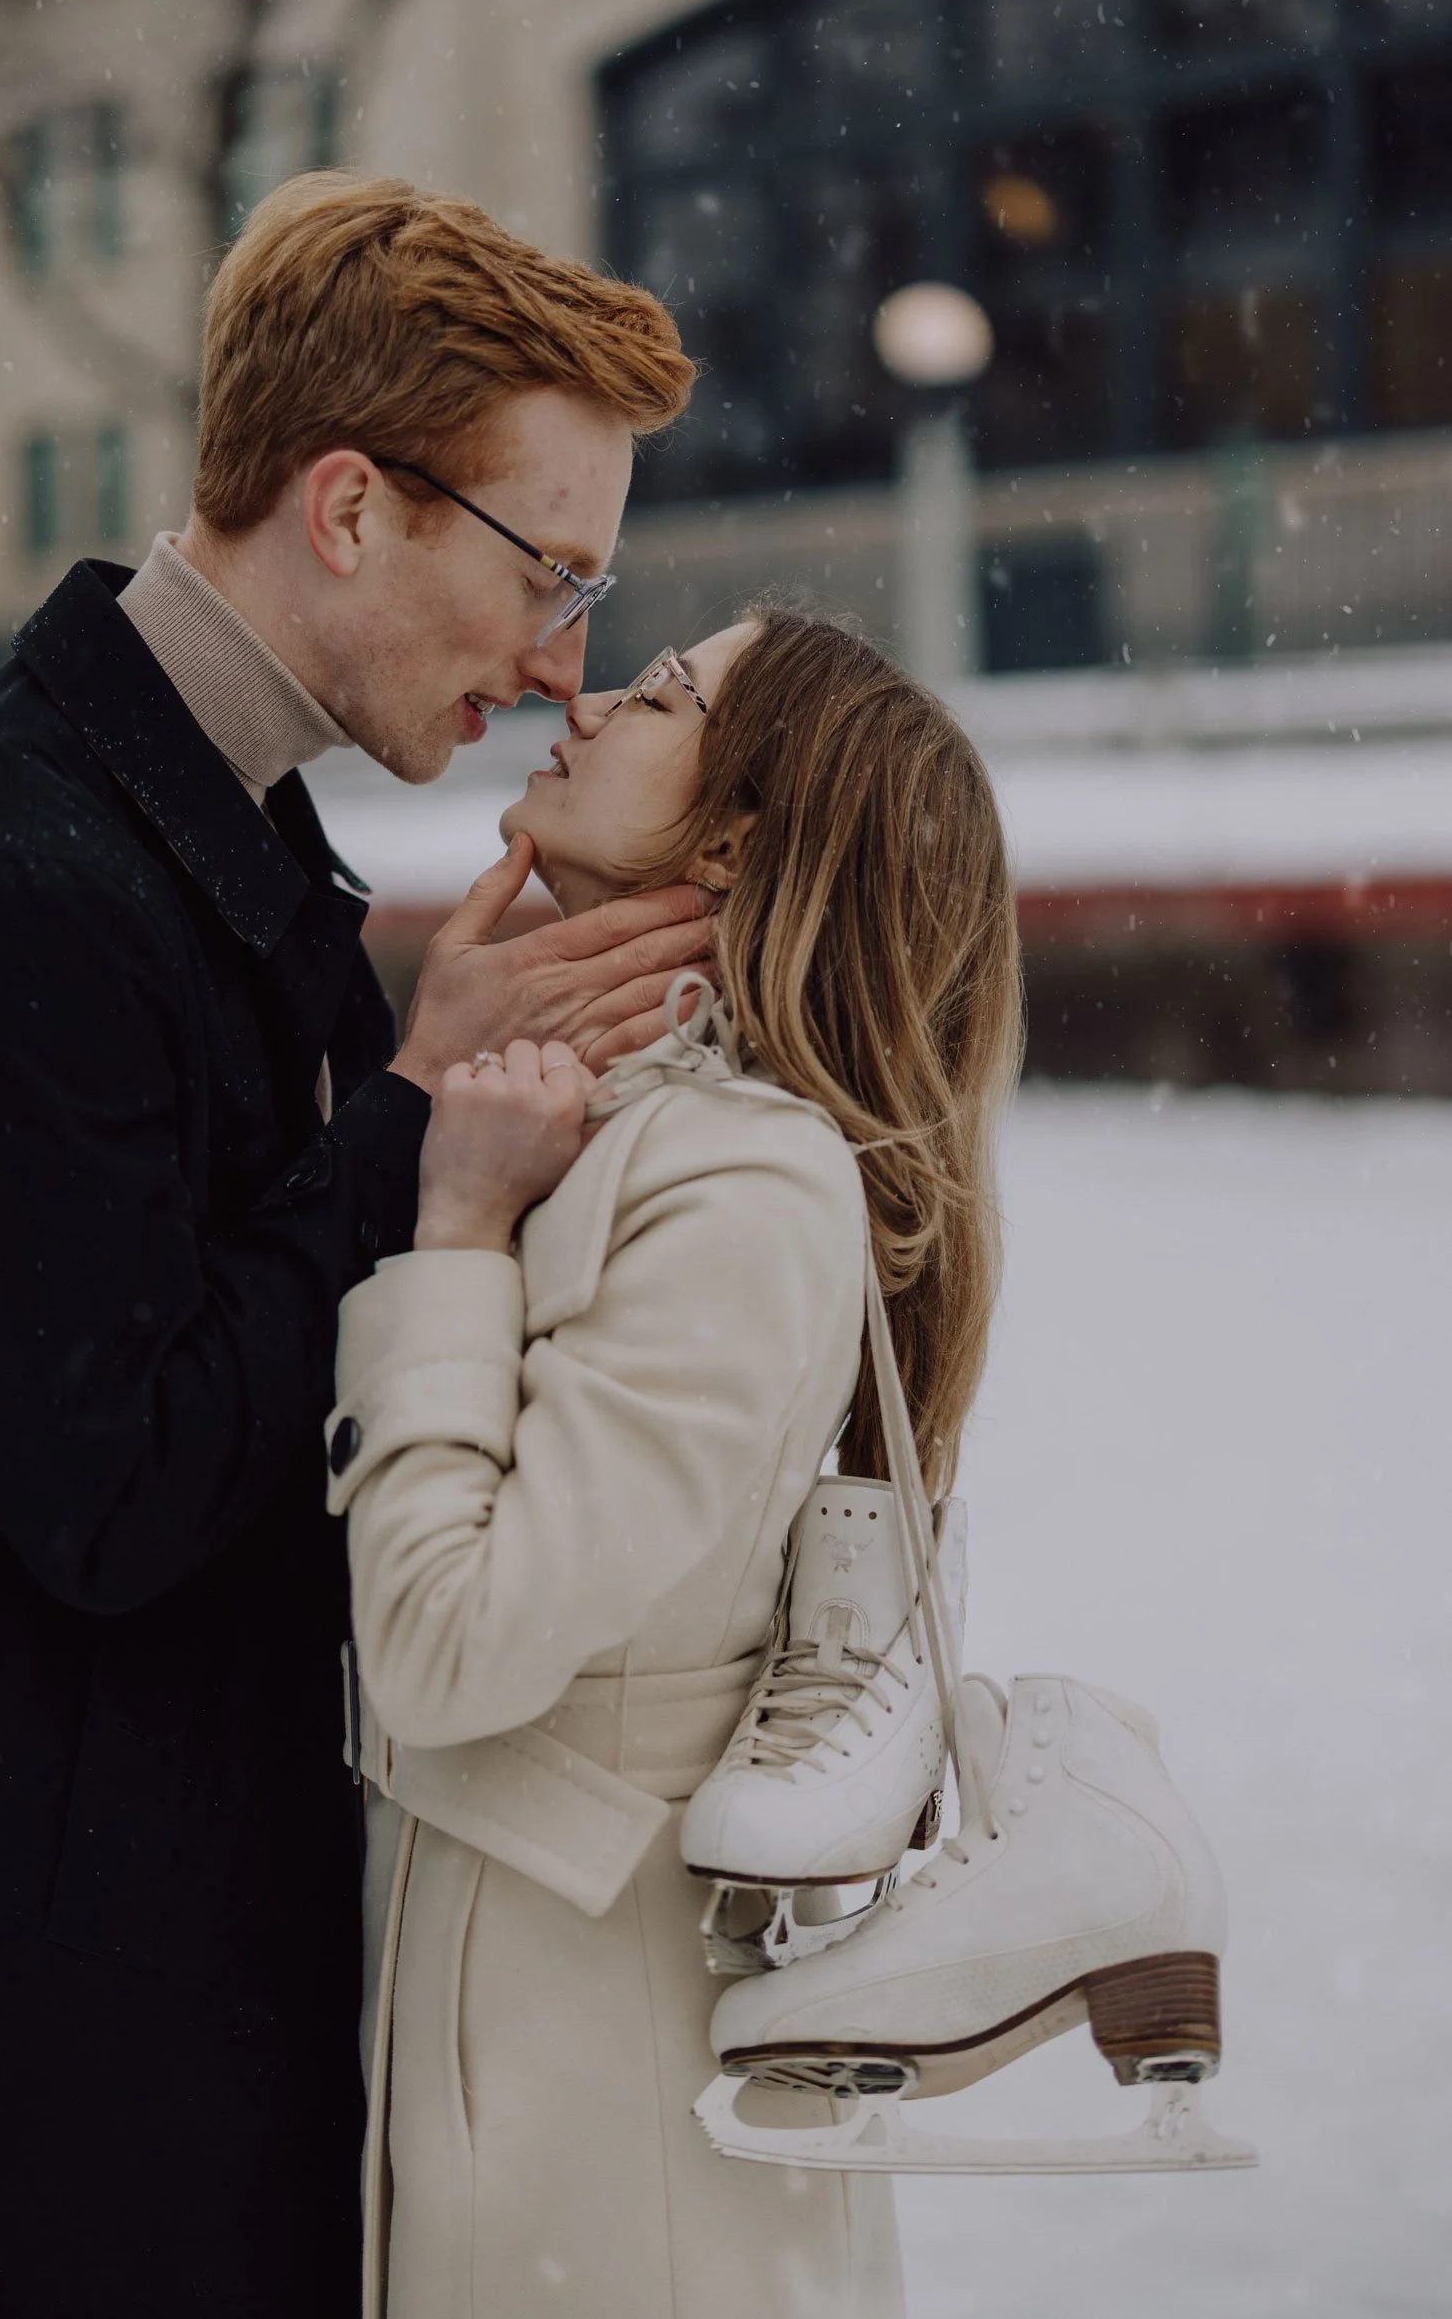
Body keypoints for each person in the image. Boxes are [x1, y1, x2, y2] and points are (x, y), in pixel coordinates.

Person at [0, 174, 709, 2318]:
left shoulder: (168, 826)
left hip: (121, 2019)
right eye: (550, 572)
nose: (565, 660)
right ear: (349, 505)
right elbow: (115, 1481)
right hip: (40, 2111)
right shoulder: (6, 879)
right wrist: (411, 1127)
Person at [328, 607, 1024, 2317]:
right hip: (527, 2049)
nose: (584, 697)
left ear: (730, 841)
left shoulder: (742, 1185)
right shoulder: (621, 1127)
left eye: (657, 695)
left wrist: (453, 1227)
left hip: (610, 2115)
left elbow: (446, 1648)